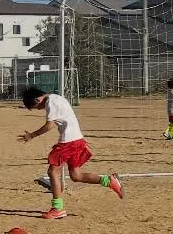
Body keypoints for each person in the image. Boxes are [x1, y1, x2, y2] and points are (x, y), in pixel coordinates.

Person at [19, 85, 123, 220]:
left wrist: (32, 135)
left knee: (53, 172)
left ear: (37, 100)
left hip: (69, 142)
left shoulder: (51, 102)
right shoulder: (56, 98)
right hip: (78, 140)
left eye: (36, 107)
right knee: (76, 175)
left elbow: (50, 125)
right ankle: (108, 181)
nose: (39, 109)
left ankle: (58, 208)